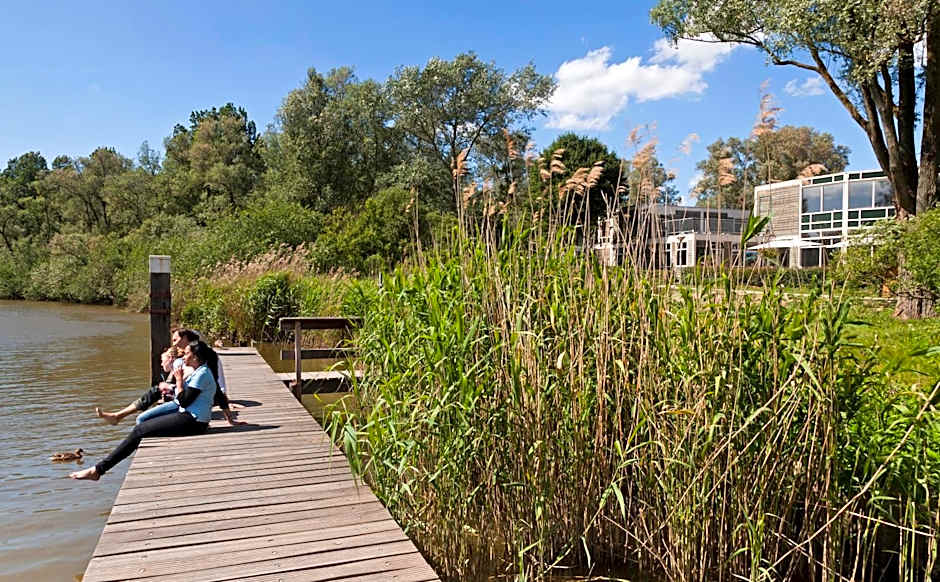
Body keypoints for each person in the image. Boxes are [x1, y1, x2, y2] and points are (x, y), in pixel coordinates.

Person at [70, 341, 218, 481]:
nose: (183, 356)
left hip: (193, 422)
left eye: (186, 354)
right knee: (143, 423)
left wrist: (178, 381)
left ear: (195, 357)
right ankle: (99, 469)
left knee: (140, 430)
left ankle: (97, 471)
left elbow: (185, 400)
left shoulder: (202, 374)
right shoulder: (200, 370)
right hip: (189, 417)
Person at [96, 328, 243, 426]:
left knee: (155, 395)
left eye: (175, 340)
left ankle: (120, 417)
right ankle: (119, 416)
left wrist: (229, 415)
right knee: (154, 396)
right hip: (189, 397)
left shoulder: (203, 358)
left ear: (186, 339)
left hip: (196, 402)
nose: (173, 343)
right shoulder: (189, 356)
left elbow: (213, 387)